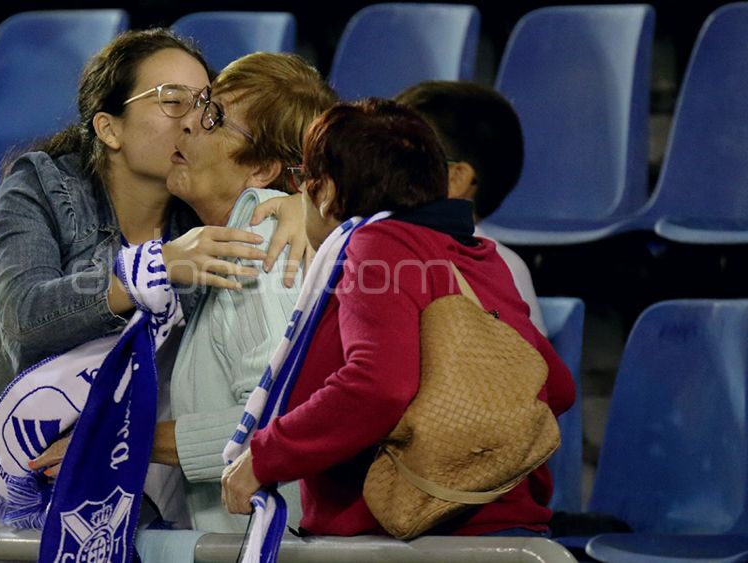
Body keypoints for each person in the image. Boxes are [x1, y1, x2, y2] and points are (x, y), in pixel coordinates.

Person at [0, 29, 309, 527]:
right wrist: (155, 267)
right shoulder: (43, 186)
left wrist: (300, 205)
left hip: (146, 497)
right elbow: (19, 321)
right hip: (26, 482)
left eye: (203, 103)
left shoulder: (201, 210)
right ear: (109, 128)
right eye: (171, 101)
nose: (191, 119)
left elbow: (320, 153)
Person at [221, 99, 575, 537]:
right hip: (513, 534)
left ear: (326, 189)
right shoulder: (480, 255)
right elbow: (556, 385)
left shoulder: (375, 245)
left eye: (303, 179)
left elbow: (378, 386)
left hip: (423, 542)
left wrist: (265, 455)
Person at [30, 52, 338, 533]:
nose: (189, 124)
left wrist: (122, 437)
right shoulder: (229, 235)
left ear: (260, 169)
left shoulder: (261, 242)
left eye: (213, 117)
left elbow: (282, 425)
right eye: (202, 105)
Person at [394, 81, 546, 334]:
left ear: (456, 179)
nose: (376, 165)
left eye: (397, 155)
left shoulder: (500, 268)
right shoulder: (381, 246)